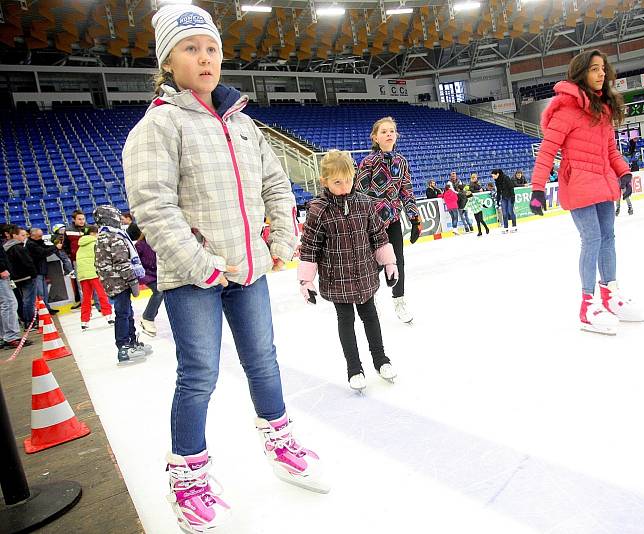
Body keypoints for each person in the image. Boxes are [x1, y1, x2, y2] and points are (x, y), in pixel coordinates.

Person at [124, 5, 329, 531]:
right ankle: (187, 476)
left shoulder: (241, 122)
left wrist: (283, 236)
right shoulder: (159, 126)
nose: (205, 57)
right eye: (191, 48)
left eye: (211, 47)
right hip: (194, 278)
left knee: (264, 360)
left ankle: (280, 442)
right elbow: (153, 206)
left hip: (250, 270)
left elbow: (276, 184)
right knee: (199, 376)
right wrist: (201, 264)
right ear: (168, 61)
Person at [528, 49, 644, 335]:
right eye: (594, 69)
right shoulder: (567, 110)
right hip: (578, 184)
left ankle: (610, 294)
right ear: (581, 73)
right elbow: (547, 150)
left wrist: (624, 172)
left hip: (603, 182)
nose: (601, 74)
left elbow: (610, 151)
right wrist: (538, 188)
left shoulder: (602, 110)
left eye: (603, 69)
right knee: (592, 239)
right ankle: (588, 304)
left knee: (608, 238)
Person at [298, 150, 399, 391]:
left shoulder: (365, 203)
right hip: (337, 278)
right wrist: (306, 281)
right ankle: (354, 368)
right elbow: (310, 247)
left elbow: (378, 236)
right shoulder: (318, 210)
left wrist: (389, 263)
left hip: (365, 274)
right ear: (324, 182)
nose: (345, 187)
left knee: (371, 317)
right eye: (337, 182)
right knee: (346, 320)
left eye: (349, 180)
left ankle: (381, 360)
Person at [356, 116, 422, 323]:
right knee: (373, 263)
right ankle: (368, 299)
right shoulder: (367, 162)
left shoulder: (401, 162)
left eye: (391, 131)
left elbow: (407, 191)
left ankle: (399, 300)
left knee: (397, 261)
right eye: (383, 131)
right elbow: (360, 193)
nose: (388, 134)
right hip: (372, 222)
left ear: (396, 135)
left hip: (393, 219)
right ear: (375, 137)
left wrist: (414, 218)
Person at [94, 206, 149, 361]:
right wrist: (132, 281)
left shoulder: (105, 235)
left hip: (114, 282)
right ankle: (123, 346)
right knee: (123, 314)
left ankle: (132, 342)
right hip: (119, 281)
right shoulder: (113, 237)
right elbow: (122, 263)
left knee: (127, 312)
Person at [75, 225, 114, 331]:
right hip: (94, 273)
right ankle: (108, 315)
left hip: (83, 276)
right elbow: (101, 258)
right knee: (102, 295)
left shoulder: (80, 246)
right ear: (93, 233)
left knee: (86, 298)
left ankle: (84, 321)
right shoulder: (95, 243)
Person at [127, 223, 163, 337]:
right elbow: (135, 262)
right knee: (159, 291)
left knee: (165, 291)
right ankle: (147, 318)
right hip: (145, 274)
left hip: (157, 273)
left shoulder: (156, 243)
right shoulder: (140, 245)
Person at [0, 225, 32, 349]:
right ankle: (11, 337)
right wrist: (2, 268)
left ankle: (4, 336)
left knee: (6, 304)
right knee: (9, 303)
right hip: (2, 275)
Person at [3, 226, 37, 327]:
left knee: (19, 300)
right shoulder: (19, 247)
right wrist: (33, 273)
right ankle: (30, 322)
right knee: (28, 300)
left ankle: (25, 320)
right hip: (26, 277)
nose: (24, 237)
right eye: (22, 235)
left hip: (14, 278)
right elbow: (28, 262)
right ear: (14, 235)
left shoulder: (5, 248)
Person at [25, 227, 59, 314]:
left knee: (44, 292)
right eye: (39, 236)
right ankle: (42, 311)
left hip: (41, 271)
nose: (41, 238)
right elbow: (43, 252)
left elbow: (45, 248)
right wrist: (55, 247)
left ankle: (47, 308)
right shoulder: (31, 244)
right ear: (33, 236)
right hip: (36, 272)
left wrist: (54, 246)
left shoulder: (37, 242)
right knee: (40, 293)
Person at [492, 169, 517, 233]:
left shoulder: (506, 178)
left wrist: (513, 197)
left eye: (493, 176)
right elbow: (498, 191)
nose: (493, 177)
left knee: (510, 212)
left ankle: (514, 227)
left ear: (497, 174)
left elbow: (511, 187)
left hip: (510, 197)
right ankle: (506, 228)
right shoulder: (497, 181)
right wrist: (497, 201)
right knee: (504, 213)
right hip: (504, 198)